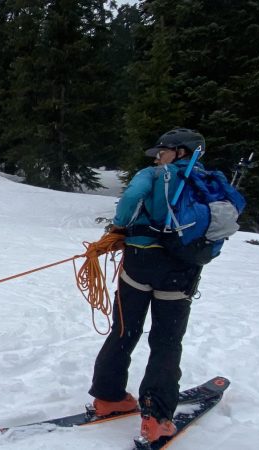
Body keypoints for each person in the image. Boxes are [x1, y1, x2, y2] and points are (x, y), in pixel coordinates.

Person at [89, 128, 206, 443]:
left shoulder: (153, 175)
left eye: (163, 151)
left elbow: (129, 199)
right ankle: (156, 418)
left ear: (180, 152)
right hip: (179, 272)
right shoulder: (206, 182)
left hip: (139, 264)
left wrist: (120, 227)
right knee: (167, 342)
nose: (158, 156)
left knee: (124, 329)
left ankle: (109, 397)